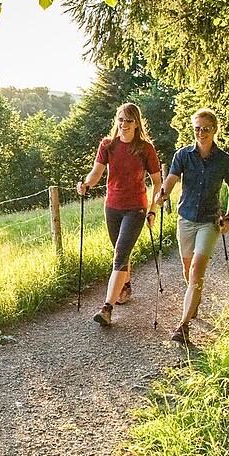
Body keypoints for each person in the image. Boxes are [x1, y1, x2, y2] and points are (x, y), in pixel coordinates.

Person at [154, 108, 229, 344]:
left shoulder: (224, 160)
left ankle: (183, 325)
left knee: (196, 271)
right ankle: (194, 301)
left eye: (206, 129)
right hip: (186, 219)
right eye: (197, 128)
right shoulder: (182, 155)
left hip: (210, 221)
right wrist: (163, 194)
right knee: (187, 269)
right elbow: (171, 179)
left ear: (214, 131)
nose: (201, 133)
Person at [76, 102, 162, 327]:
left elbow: (157, 182)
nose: (124, 124)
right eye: (120, 119)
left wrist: (153, 210)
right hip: (112, 207)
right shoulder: (108, 145)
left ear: (137, 123)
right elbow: (96, 173)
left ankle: (107, 308)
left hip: (136, 208)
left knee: (120, 256)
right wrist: (86, 184)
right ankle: (125, 285)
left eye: (129, 121)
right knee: (120, 253)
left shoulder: (145, 149)